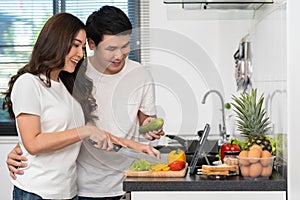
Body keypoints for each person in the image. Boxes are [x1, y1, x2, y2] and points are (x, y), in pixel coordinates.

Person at [6, 6, 164, 200]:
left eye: (125, 46)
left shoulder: (66, 82)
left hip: (82, 187)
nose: (119, 55)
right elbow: (37, 137)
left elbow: (88, 130)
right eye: (111, 48)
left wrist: (139, 143)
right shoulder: (49, 78)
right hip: (59, 188)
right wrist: (23, 146)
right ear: (92, 44)